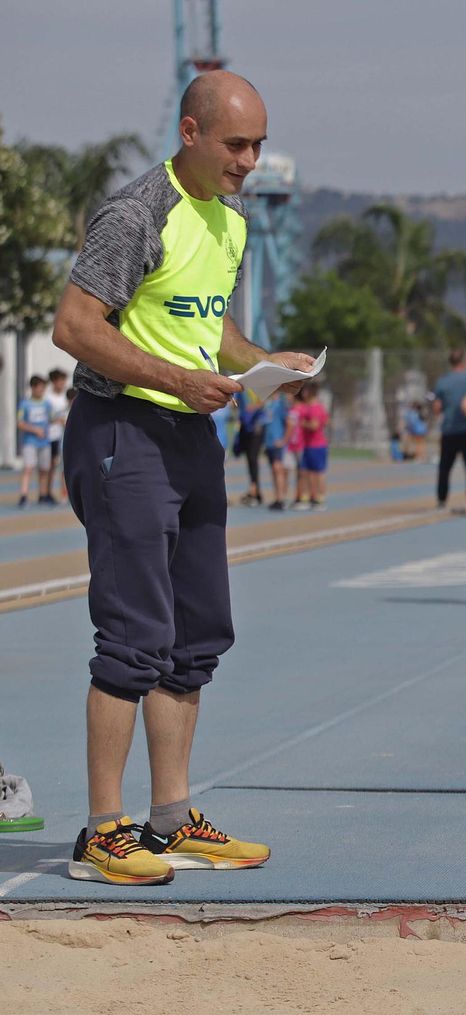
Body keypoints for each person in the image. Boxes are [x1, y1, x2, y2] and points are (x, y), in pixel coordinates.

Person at [49, 70, 309, 885]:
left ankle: (170, 818)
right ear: (190, 133)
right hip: (123, 431)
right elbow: (74, 325)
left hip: (192, 434)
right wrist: (171, 380)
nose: (250, 160)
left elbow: (213, 327)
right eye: (236, 144)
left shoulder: (227, 217)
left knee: (195, 636)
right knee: (132, 636)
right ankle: (102, 830)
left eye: (259, 144)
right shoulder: (136, 213)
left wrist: (267, 362)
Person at [432, 348, 466, 510]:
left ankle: (441, 499)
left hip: (449, 429)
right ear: (464, 361)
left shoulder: (443, 381)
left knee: (445, 467)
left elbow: (437, 406)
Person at [16, 375, 52, 509]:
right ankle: (23, 496)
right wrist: (34, 430)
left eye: (44, 387)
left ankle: (42, 495)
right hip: (30, 442)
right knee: (28, 468)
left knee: (44, 469)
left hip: (45, 442)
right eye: (40, 387)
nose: (42, 390)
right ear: (33, 387)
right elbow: (19, 423)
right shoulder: (25, 404)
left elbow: (52, 418)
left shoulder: (47, 404)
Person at [291, 382, 329, 510]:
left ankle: (319, 499)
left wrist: (302, 424)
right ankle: (309, 497)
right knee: (308, 472)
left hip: (316, 445)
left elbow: (314, 425)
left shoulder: (314, 408)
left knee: (317, 473)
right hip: (310, 445)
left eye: (305, 391)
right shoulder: (314, 407)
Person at [41, 368, 70, 504]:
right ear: (54, 381)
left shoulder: (66, 396)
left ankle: (63, 492)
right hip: (51, 436)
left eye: (64, 380)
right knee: (50, 465)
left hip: (63, 436)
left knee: (62, 465)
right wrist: (57, 421)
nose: (63, 383)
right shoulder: (48, 398)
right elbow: (45, 417)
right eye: (61, 380)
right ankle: (47, 492)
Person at [234, 389, 266, 505]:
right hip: (245, 425)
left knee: (253, 457)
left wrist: (254, 407)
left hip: (257, 426)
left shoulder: (257, 384)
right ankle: (254, 489)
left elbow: (264, 400)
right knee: (249, 458)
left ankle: (255, 491)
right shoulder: (241, 387)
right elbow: (234, 402)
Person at [263, 389, 290, 510]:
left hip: (277, 442)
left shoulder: (281, 404)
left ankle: (281, 498)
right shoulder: (268, 404)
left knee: (278, 469)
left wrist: (284, 439)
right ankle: (277, 497)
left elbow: (289, 423)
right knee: (274, 471)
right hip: (269, 442)